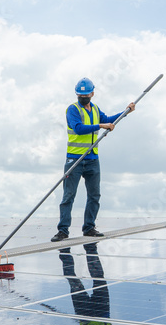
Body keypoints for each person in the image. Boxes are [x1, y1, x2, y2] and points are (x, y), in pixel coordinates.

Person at [52, 77, 135, 242]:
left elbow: (108, 120)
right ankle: (63, 231)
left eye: (86, 94)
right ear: (77, 95)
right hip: (74, 160)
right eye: (80, 95)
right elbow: (78, 128)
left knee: (94, 195)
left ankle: (89, 227)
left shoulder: (95, 110)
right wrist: (100, 126)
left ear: (92, 94)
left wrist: (126, 112)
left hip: (92, 160)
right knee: (68, 196)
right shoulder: (72, 109)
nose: (83, 97)